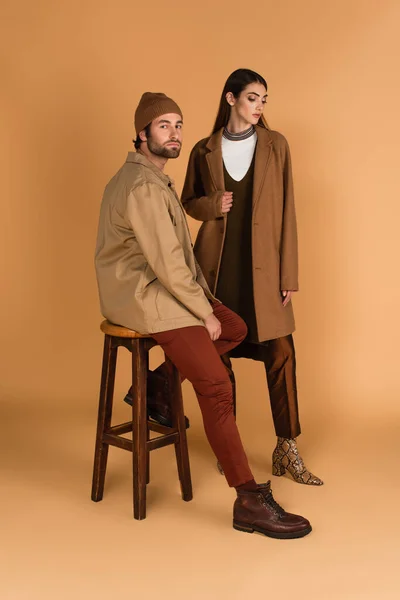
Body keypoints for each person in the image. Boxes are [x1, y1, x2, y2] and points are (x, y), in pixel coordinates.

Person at [95, 91, 312, 538]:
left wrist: (209, 305)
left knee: (235, 326)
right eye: (162, 126)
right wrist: (201, 311)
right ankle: (249, 498)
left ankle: (156, 386)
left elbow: (175, 260)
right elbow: (167, 264)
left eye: (177, 125)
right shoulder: (141, 187)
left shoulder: (153, 180)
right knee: (215, 385)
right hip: (144, 296)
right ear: (141, 134)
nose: (173, 134)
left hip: (160, 287)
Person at [181, 69, 323, 486]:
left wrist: (289, 273)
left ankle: (287, 447)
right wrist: (213, 205)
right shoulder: (203, 149)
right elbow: (189, 201)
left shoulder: (276, 145)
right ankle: (232, 448)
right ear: (230, 99)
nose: (260, 106)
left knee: (281, 354)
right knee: (220, 360)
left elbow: (289, 209)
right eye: (252, 98)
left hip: (265, 270)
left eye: (264, 99)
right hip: (218, 271)